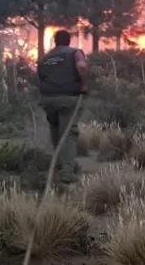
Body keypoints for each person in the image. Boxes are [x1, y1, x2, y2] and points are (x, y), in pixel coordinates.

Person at [37, 29, 89, 183]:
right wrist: (84, 84)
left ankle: (59, 164)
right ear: (69, 41)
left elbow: (40, 77)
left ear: (55, 41)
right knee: (68, 134)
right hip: (68, 98)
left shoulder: (44, 58)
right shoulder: (75, 53)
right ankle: (67, 172)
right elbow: (82, 67)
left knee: (56, 131)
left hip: (48, 99)